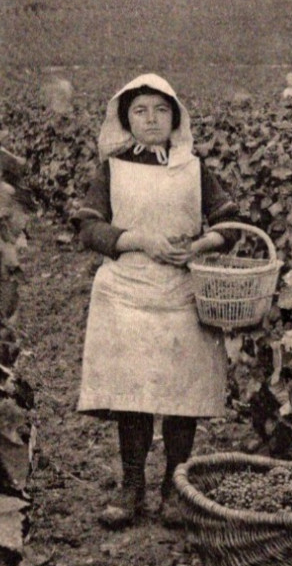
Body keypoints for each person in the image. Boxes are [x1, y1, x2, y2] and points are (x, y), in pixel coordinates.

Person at [74, 74, 238, 528]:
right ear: (126, 118)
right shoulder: (113, 168)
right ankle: (131, 488)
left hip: (183, 293)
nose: (151, 119)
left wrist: (201, 246)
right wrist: (138, 238)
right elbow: (89, 227)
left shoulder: (193, 168)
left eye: (160, 110)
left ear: (175, 117)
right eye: (140, 111)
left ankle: (173, 487)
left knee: (181, 394)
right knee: (134, 394)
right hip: (126, 292)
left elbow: (229, 220)